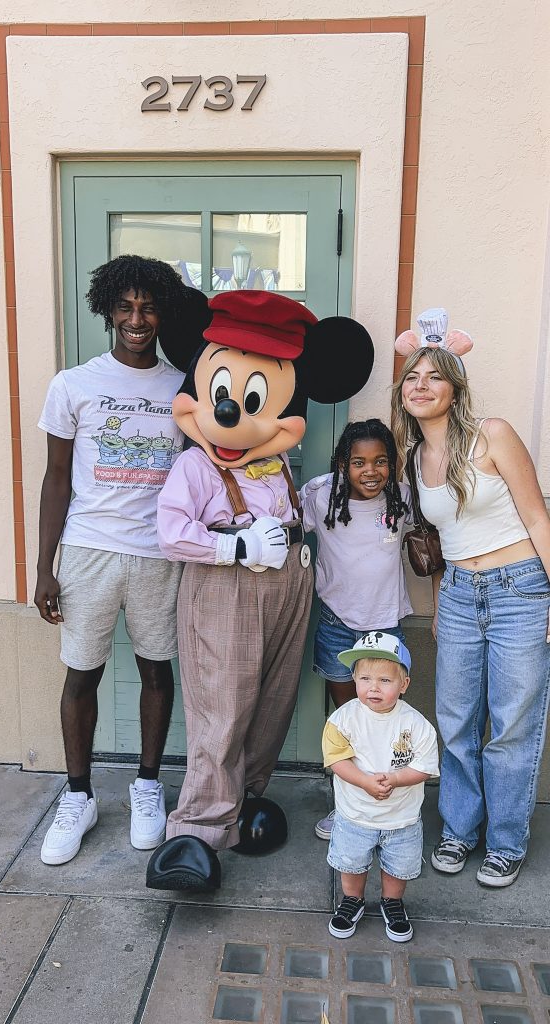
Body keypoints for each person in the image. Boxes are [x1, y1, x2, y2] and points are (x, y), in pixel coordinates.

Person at [145, 290, 374, 893]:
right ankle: (192, 830)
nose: (229, 415)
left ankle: (241, 803)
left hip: (287, 590)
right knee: (221, 708)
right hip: (226, 590)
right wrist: (236, 547)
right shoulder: (195, 467)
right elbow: (172, 532)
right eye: (221, 395)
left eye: (249, 400)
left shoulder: (279, 464)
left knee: (269, 704)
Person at [34, 254, 204, 866]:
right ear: (108, 310)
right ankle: (77, 796)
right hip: (88, 551)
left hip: (160, 554)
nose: (138, 319)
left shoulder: (180, 387)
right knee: (83, 673)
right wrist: (43, 566)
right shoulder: (72, 384)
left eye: (149, 307)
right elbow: (56, 480)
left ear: (162, 314)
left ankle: (147, 785)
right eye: (127, 307)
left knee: (157, 672)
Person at [392, 307, 550, 888]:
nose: (421, 386)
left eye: (434, 376)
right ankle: (460, 829)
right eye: (412, 377)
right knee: (456, 722)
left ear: (455, 389)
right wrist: (439, 605)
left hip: (520, 590)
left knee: (511, 726)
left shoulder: (495, 435)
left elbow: (538, 517)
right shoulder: (413, 458)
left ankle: (506, 842)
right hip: (458, 594)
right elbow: (436, 540)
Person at [300, 419, 413, 841]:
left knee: (383, 720)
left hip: (386, 632)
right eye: (358, 462)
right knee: (348, 721)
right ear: (342, 464)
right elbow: (286, 515)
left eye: (381, 461)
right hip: (337, 627)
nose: (371, 471)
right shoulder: (322, 497)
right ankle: (347, 804)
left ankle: (383, 802)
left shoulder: (401, 500)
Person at [324, 631, 438, 942]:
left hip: (401, 817)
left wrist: (397, 779)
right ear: (354, 679)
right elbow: (337, 760)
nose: (373, 687)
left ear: (404, 685)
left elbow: (425, 766)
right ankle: (352, 900)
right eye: (365, 678)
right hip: (354, 813)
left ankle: (392, 902)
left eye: (385, 680)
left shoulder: (416, 725)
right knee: (352, 862)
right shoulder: (342, 719)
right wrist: (364, 781)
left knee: (398, 867)